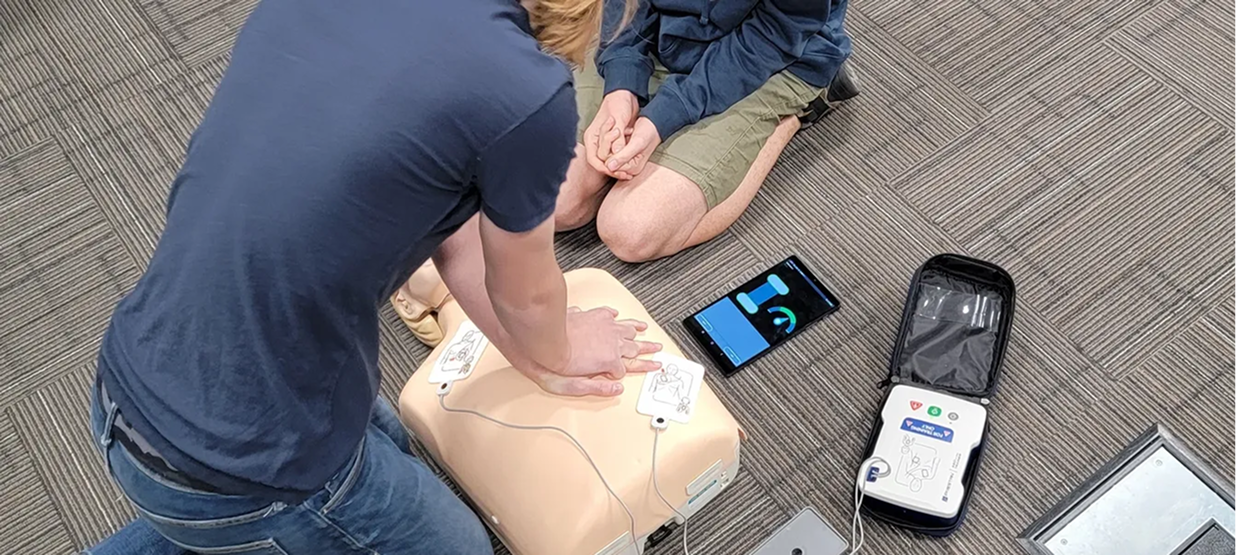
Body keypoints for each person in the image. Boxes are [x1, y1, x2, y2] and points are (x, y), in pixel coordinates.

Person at [86, 0, 657, 554]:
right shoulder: (527, 92)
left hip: (129, 376)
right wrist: (560, 344)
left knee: (388, 436)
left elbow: (459, 245)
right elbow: (526, 296)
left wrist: (537, 358)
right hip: (244, 464)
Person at [554, 0, 856, 262]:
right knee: (554, 202)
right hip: (663, 34)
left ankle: (791, 115)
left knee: (631, 231)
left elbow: (773, 35)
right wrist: (621, 81)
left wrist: (662, 117)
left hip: (771, 58)